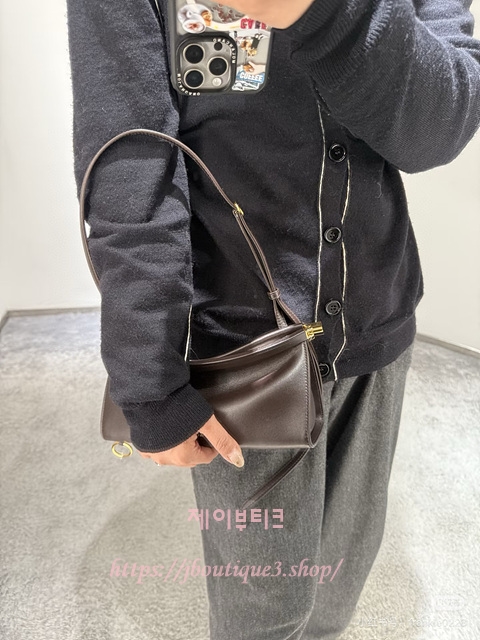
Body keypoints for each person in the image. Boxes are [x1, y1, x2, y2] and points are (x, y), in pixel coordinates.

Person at [65, 0, 480, 638]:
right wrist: (150, 385)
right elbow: (132, 166)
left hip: (378, 323)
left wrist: (325, 10)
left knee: (339, 584)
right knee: (260, 611)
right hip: (241, 356)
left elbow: (439, 128)